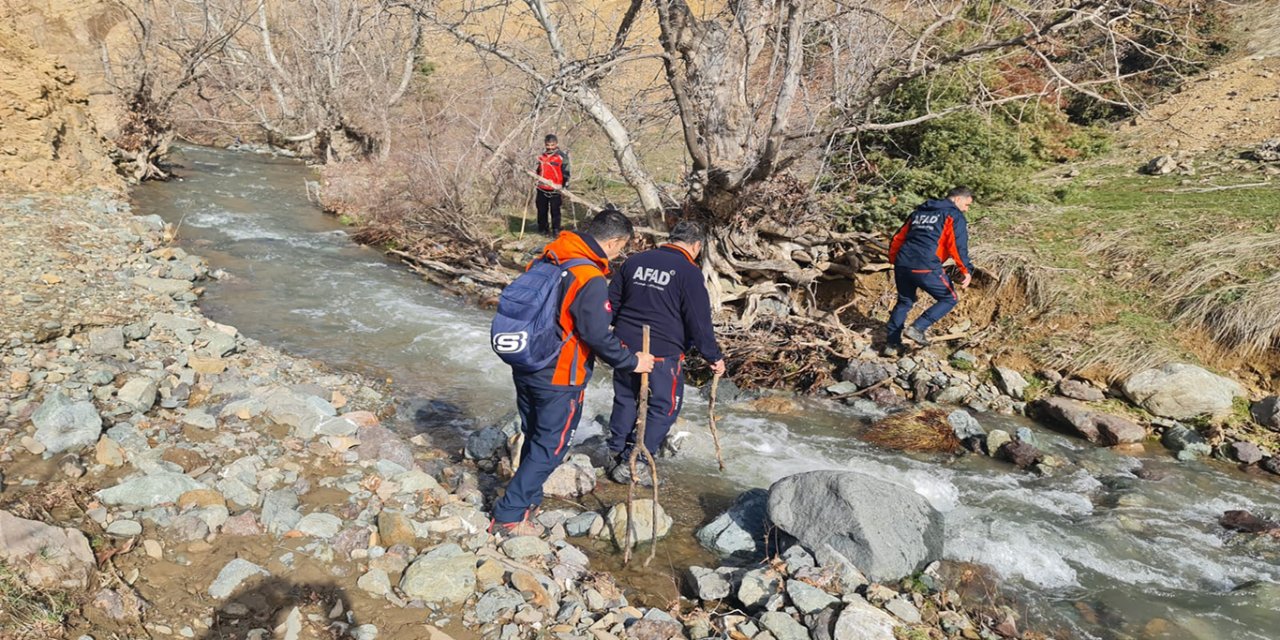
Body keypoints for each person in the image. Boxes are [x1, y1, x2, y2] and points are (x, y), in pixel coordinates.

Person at [491, 208, 654, 536]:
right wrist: (632, 361)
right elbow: (596, 335)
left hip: (528, 362)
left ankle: (530, 499)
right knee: (551, 446)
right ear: (614, 243)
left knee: (535, 433)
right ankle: (508, 514)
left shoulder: (548, 258)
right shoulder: (589, 277)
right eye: (622, 248)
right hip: (561, 374)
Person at [605, 220, 725, 486]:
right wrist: (713, 356)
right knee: (664, 407)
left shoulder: (635, 261)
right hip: (662, 353)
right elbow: (698, 320)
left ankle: (615, 451)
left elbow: (611, 302)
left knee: (625, 398)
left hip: (624, 347)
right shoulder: (689, 272)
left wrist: (602, 339)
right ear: (696, 246)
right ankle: (634, 462)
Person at [883, 186, 976, 357]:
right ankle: (918, 328)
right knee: (950, 298)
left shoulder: (918, 212)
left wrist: (894, 259)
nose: (966, 209)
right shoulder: (953, 215)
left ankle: (892, 344)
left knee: (904, 302)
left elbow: (898, 238)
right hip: (925, 264)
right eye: (967, 204)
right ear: (957, 199)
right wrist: (966, 270)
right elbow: (957, 245)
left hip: (902, 263)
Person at [534, 134, 571, 236]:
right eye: (548, 145)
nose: (550, 147)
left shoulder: (562, 157)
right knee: (541, 209)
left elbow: (566, 173)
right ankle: (543, 229)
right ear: (545, 144)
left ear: (556, 144)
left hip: (556, 188)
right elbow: (538, 171)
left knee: (555, 210)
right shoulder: (541, 157)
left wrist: (565, 187)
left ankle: (556, 230)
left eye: (552, 145)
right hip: (541, 188)